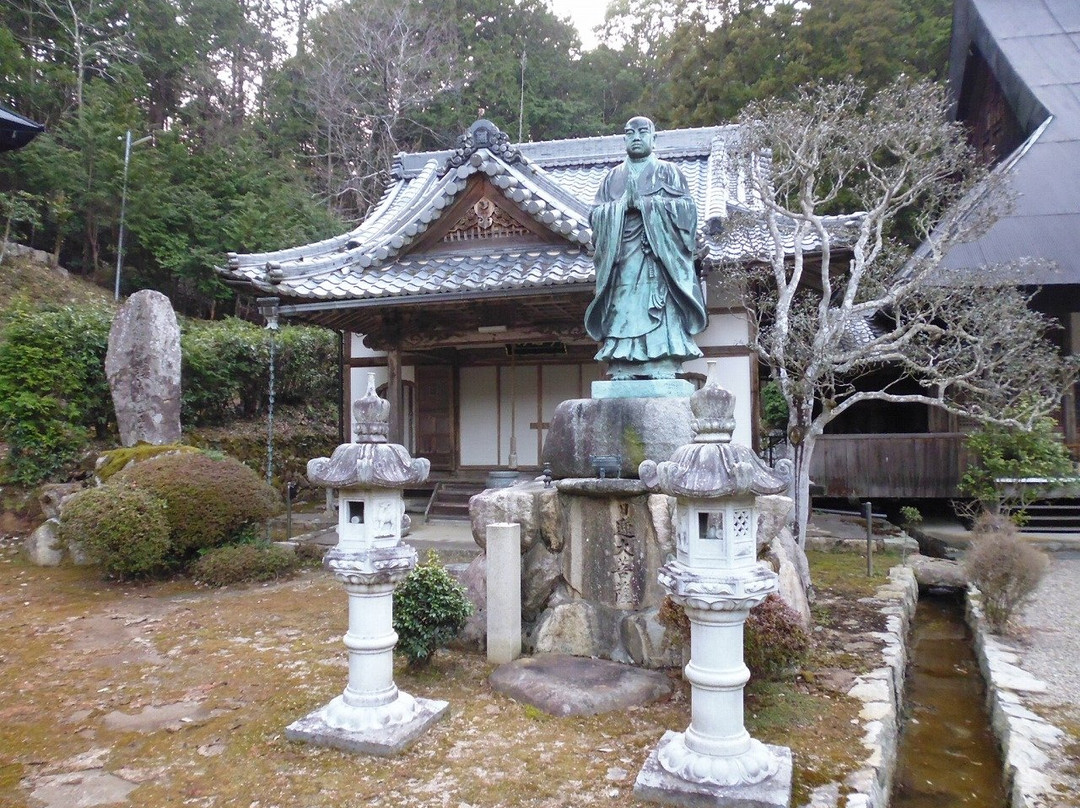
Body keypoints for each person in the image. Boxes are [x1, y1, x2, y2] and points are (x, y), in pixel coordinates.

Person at [585, 116, 707, 380]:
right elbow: (594, 216)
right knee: (621, 309)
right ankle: (621, 362)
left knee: (661, 309)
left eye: (642, 132)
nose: (636, 137)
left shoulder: (669, 172)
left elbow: (688, 212)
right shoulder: (612, 178)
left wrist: (647, 206)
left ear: (654, 138)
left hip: (658, 259)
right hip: (623, 261)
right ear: (624, 139)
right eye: (630, 133)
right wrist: (620, 208)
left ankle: (663, 360)